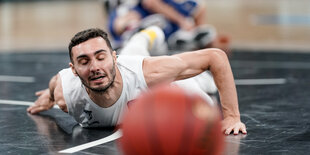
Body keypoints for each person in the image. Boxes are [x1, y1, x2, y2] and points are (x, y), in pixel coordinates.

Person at [27, 26, 246, 135]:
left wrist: (232, 116)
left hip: (163, 89)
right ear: (74, 70)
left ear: (114, 58)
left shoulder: (147, 73)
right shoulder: (67, 95)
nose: (94, 67)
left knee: (204, 98)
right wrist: (49, 95)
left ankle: (152, 32)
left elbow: (215, 57)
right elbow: (57, 81)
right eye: (84, 62)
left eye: (101, 57)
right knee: (133, 48)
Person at [106, 0, 219, 52]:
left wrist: (211, 43)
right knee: (129, 19)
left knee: (207, 33)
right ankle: (129, 37)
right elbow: (149, 2)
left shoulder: (194, 6)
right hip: (145, 31)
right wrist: (181, 20)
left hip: (168, 40)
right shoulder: (138, 7)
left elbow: (200, 28)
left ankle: (183, 41)